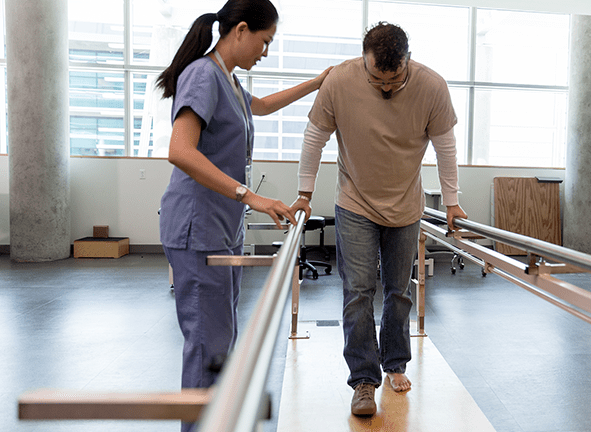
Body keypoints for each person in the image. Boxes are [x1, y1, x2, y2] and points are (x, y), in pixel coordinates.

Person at [155, 1, 329, 430]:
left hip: (220, 227)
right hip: (198, 229)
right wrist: (251, 197)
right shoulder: (202, 74)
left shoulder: (228, 80)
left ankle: (219, 420)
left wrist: (320, 82)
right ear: (241, 30)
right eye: (265, 41)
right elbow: (180, 150)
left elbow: (265, 105)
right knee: (206, 343)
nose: (265, 52)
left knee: (221, 337)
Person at [291, 22, 467, 417]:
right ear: (364, 62)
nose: (386, 88)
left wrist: (452, 202)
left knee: (399, 290)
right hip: (354, 202)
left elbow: (446, 147)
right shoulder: (339, 81)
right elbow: (314, 136)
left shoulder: (432, 86)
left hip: (406, 206)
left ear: (408, 61)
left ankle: (395, 364)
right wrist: (304, 193)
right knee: (358, 290)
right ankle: (364, 379)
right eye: (377, 80)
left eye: (395, 79)